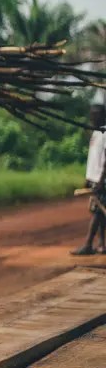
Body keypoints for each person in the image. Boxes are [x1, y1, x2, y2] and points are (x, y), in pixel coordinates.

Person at [72, 104, 106, 256]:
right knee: (100, 213)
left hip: (102, 180)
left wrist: (100, 180)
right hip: (94, 178)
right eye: (91, 114)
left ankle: (88, 244)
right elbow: (93, 158)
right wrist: (88, 178)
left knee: (98, 213)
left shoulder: (105, 132)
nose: (93, 117)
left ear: (103, 115)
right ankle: (102, 245)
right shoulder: (96, 133)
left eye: (96, 114)